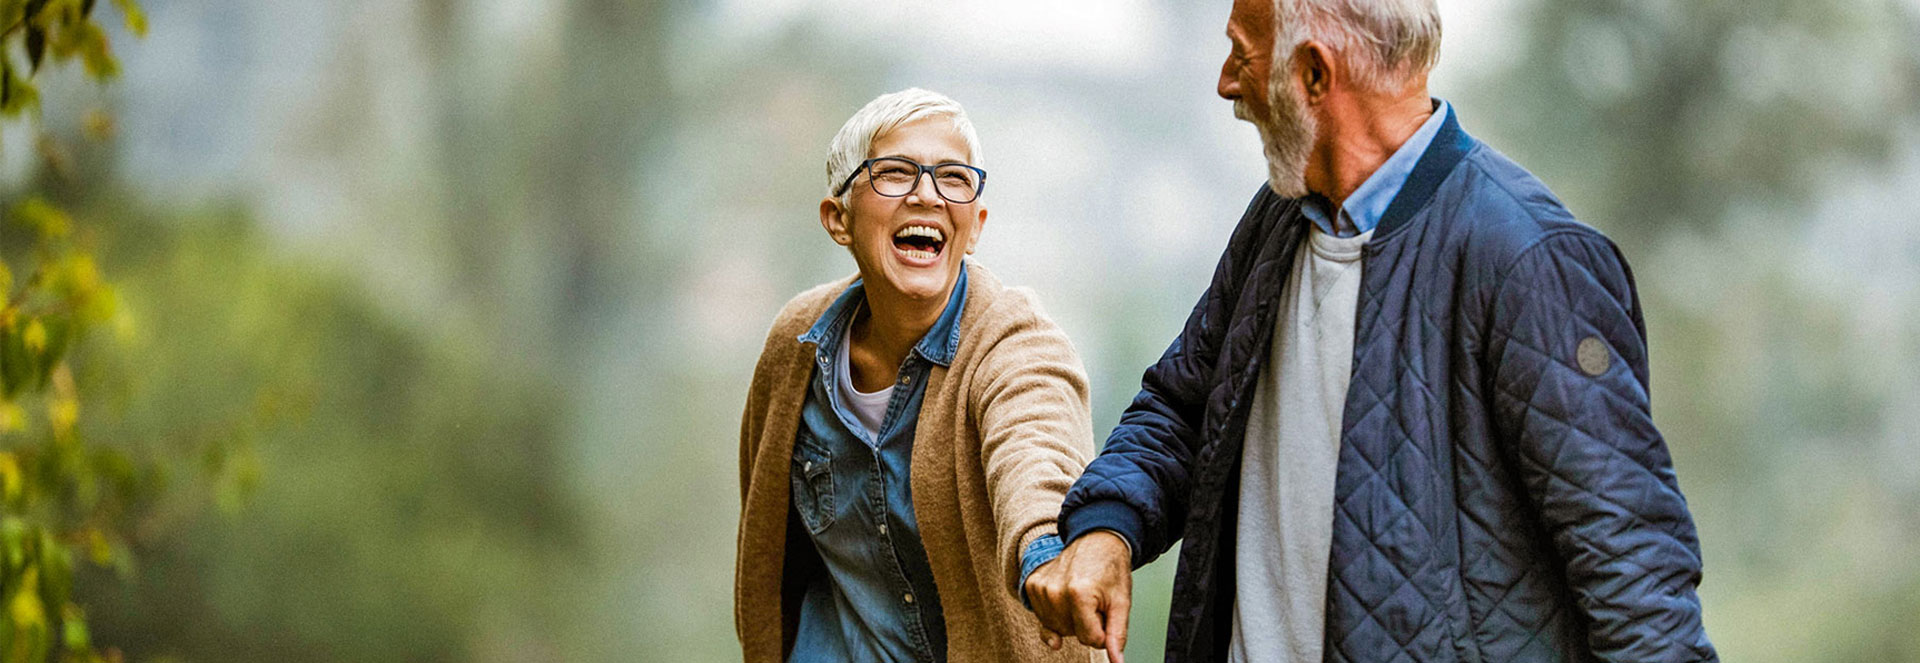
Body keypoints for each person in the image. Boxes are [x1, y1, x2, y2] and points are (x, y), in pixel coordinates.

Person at [1023, 1, 1718, 661]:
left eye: (1242, 54)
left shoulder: (1531, 260)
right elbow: (1184, 408)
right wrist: (1107, 525)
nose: (1225, 82)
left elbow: (1634, 579)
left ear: (1315, 75)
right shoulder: (1276, 221)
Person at [735, 88, 1103, 663]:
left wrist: (1045, 552)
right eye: (896, 173)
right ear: (839, 218)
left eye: (953, 178)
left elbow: (1036, 449)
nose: (927, 195)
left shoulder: (1015, 343)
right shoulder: (795, 346)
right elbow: (766, 547)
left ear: (975, 225)